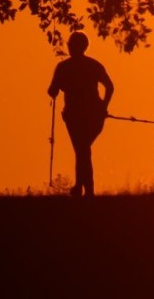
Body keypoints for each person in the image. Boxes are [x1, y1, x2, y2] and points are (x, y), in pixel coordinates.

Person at [47, 31, 114, 196]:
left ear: (74, 46)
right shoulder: (94, 65)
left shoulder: (63, 67)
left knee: (82, 149)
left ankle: (86, 189)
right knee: (82, 149)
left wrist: (58, 89)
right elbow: (110, 87)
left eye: (70, 44)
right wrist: (103, 106)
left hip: (75, 116)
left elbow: (52, 90)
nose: (69, 47)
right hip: (94, 115)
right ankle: (82, 187)